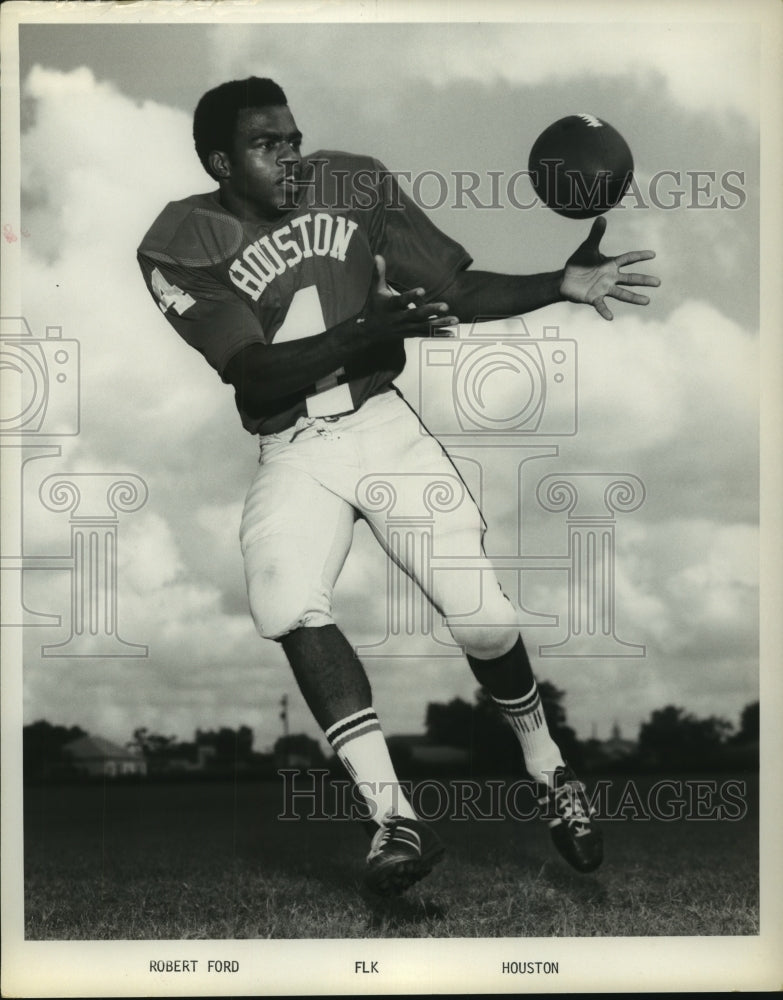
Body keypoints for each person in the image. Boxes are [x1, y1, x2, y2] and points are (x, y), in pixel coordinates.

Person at [137, 77, 659, 896]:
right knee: (283, 601)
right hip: (294, 444)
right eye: (266, 145)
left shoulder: (353, 184)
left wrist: (556, 284)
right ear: (218, 161)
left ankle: (551, 773)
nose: (291, 155)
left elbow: (452, 290)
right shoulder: (182, 239)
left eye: (294, 137)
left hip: (383, 425)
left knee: (484, 624)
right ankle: (394, 817)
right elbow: (250, 373)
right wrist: (363, 327)